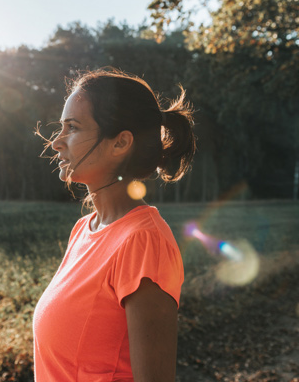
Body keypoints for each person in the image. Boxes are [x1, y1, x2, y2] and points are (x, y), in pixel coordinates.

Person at [33, 68, 196, 382]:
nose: (56, 142)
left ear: (120, 143)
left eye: (73, 128)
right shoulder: (84, 229)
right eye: (60, 128)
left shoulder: (143, 243)